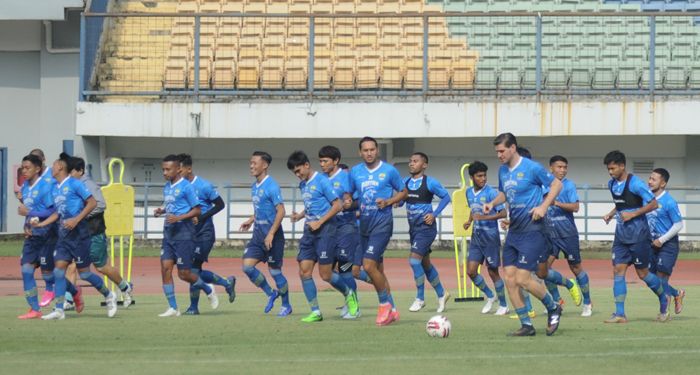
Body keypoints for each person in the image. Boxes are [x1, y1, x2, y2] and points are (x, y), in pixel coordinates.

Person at [482, 133, 563, 336]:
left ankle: (553, 307)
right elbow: (504, 193)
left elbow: (556, 185)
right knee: (510, 279)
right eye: (496, 152)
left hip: (533, 230)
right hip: (514, 232)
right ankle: (526, 325)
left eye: (501, 151)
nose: (499, 155)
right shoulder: (502, 171)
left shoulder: (531, 167)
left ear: (512, 148)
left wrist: (543, 206)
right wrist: (493, 203)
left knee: (523, 278)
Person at [35, 153, 117, 320]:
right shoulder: (55, 188)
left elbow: (93, 203)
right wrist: (40, 223)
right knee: (58, 272)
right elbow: (57, 213)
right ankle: (59, 309)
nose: (51, 167)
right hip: (64, 237)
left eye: (54, 164)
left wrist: (76, 219)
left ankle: (109, 295)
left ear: (60, 167)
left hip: (80, 236)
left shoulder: (75, 184)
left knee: (85, 274)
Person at [288, 150, 359, 322]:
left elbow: (337, 205)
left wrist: (319, 222)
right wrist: (300, 215)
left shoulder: (322, 181)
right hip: (309, 231)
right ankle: (316, 312)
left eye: (299, 171)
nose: (297, 175)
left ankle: (350, 294)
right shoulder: (303, 184)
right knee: (304, 271)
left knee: (326, 275)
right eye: (294, 173)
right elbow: (313, 204)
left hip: (326, 230)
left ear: (306, 165)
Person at [602, 150, 668, 323]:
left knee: (643, 274)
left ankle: (664, 299)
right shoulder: (611, 184)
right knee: (618, 271)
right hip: (621, 237)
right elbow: (622, 204)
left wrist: (633, 215)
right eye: (608, 169)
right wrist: (611, 214)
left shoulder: (636, 184)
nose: (610, 172)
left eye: (613, 168)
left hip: (638, 235)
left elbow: (654, 204)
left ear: (622, 166)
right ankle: (620, 314)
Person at [348, 136, 407, 326]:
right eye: (365, 150)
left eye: (372, 149)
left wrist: (389, 201)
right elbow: (349, 193)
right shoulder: (355, 172)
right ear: (360, 152)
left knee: (369, 266)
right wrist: (348, 200)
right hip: (363, 227)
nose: (369, 153)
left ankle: (384, 306)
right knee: (359, 271)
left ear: (377, 150)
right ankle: (393, 308)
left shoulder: (389, 171)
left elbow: (403, 191)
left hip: (382, 225)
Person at [154, 154, 218, 317]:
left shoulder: (187, 186)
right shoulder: (167, 187)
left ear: (177, 169)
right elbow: (172, 206)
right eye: (163, 169)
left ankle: (207, 288)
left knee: (184, 274)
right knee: (165, 269)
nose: (164, 172)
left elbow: (197, 210)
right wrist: (161, 211)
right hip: (169, 234)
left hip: (184, 234)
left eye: (168, 169)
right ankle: (173, 308)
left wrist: (179, 218)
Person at [69, 156, 135, 308]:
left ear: (80, 171)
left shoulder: (89, 185)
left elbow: (100, 205)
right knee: (71, 265)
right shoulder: (71, 186)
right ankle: (68, 300)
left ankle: (125, 287)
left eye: (71, 171)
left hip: (94, 232)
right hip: (79, 234)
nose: (68, 175)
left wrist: (81, 215)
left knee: (101, 267)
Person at [178, 154, 236, 315]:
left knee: (193, 270)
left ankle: (193, 307)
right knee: (189, 271)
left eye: (179, 169)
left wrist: (201, 217)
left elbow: (220, 204)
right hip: (188, 235)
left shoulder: (203, 186)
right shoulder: (178, 186)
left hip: (204, 234)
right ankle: (226, 283)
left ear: (189, 169)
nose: (177, 172)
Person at [239, 151, 292, 316]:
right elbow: (262, 209)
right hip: (258, 236)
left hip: (273, 237)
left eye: (254, 163)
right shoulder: (254, 186)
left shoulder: (272, 185)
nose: (251, 166)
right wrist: (251, 219)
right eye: (250, 162)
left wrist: (270, 234)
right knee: (247, 267)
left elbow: (281, 211)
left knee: (275, 272)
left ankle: (286, 305)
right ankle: (271, 293)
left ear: (265, 165)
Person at [318, 146, 367, 318]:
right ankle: (349, 297)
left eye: (325, 161)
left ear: (336, 161)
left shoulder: (347, 178)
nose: (322, 164)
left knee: (345, 268)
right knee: (327, 273)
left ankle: (354, 305)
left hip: (347, 228)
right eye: (320, 161)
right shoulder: (320, 179)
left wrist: (351, 205)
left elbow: (360, 199)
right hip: (328, 229)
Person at [400, 152, 450, 313]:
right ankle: (442, 294)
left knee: (414, 261)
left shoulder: (430, 182)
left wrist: (434, 214)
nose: (411, 164)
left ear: (424, 165)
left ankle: (420, 298)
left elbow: (446, 197)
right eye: (410, 161)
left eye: (415, 161)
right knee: (425, 264)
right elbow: (400, 201)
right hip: (413, 229)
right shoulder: (405, 182)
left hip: (426, 229)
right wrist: (395, 202)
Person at [541, 155, 588, 316]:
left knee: (576, 267)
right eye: (559, 167)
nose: (562, 170)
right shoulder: (543, 186)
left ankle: (588, 303)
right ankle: (557, 300)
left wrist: (556, 203)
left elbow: (575, 207)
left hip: (567, 234)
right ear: (551, 168)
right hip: (549, 234)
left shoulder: (568, 186)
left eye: (564, 167)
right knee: (543, 269)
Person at [463, 161, 509, 316]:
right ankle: (490, 295)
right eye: (479, 176)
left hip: (490, 237)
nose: (483, 178)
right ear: (472, 177)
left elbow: (503, 214)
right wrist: (470, 221)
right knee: (471, 271)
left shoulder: (492, 193)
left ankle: (503, 304)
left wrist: (484, 218)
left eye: (484, 175)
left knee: (492, 271)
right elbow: (473, 209)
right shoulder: (468, 192)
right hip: (476, 237)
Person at [16, 154, 58, 319]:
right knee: (26, 270)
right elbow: (29, 214)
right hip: (32, 236)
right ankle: (34, 309)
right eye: (22, 168)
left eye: (27, 168)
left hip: (48, 235)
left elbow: (52, 211)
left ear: (38, 169)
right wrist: (26, 225)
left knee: (49, 275)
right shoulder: (25, 187)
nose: (24, 171)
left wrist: (30, 212)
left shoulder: (46, 186)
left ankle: (74, 292)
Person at [646, 168, 685, 321]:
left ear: (663, 183)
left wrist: (661, 240)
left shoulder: (669, 201)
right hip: (651, 245)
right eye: (649, 178)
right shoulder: (647, 199)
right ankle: (677, 294)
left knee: (661, 279)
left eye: (653, 179)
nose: (649, 181)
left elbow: (678, 225)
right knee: (651, 279)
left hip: (667, 245)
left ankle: (663, 312)